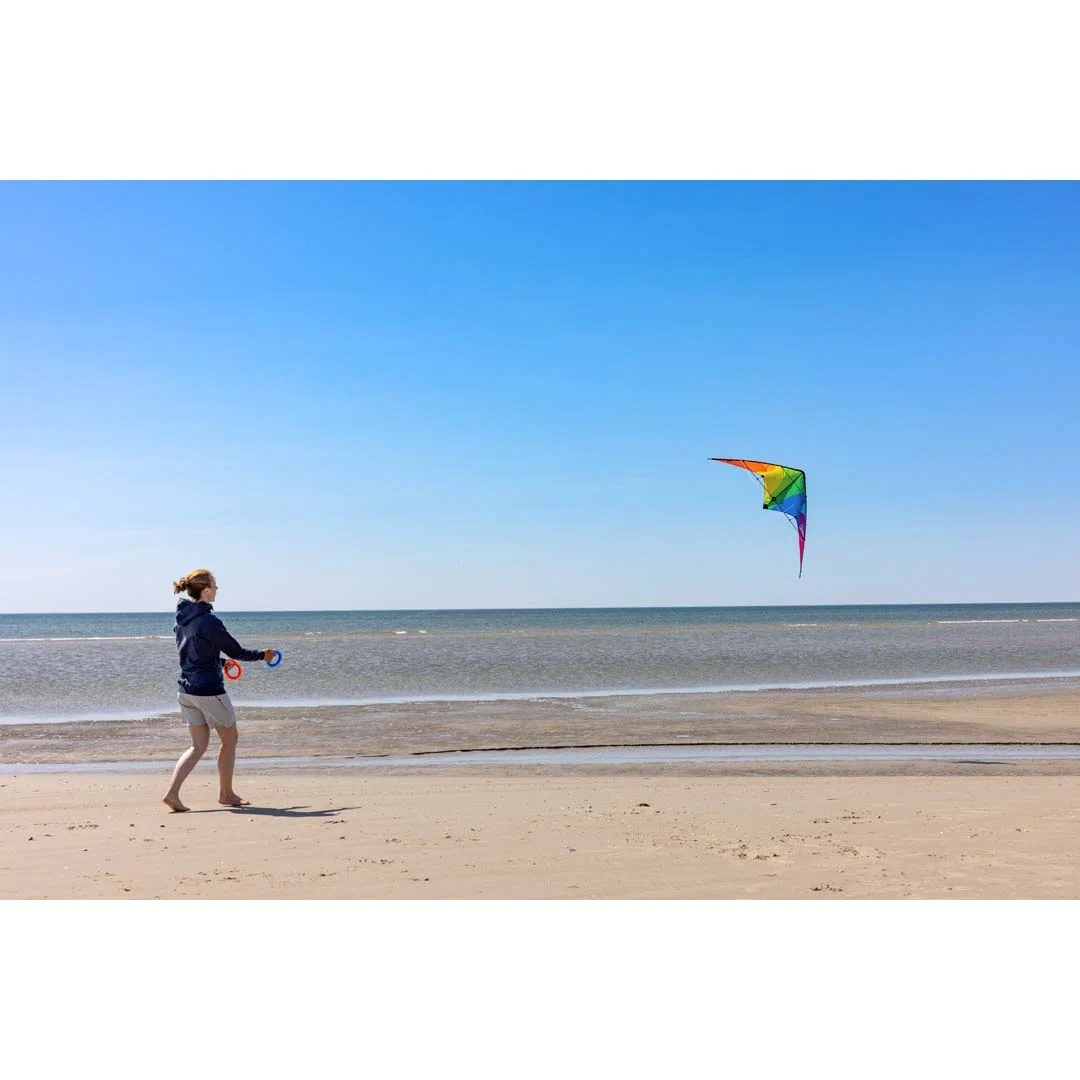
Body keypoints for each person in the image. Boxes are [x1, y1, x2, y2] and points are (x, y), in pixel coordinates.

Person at [163, 568, 276, 813]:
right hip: (209, 691)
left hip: (186, 690)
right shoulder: (209, 621)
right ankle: (226, 794)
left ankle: (172, 793)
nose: (217, 590)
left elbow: (193, 652)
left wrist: (221, 663)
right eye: (215, 586)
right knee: (230, 738)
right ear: (205, 590)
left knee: (198, 746)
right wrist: (263, 656)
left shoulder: (181, 619)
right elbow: (236, 650)